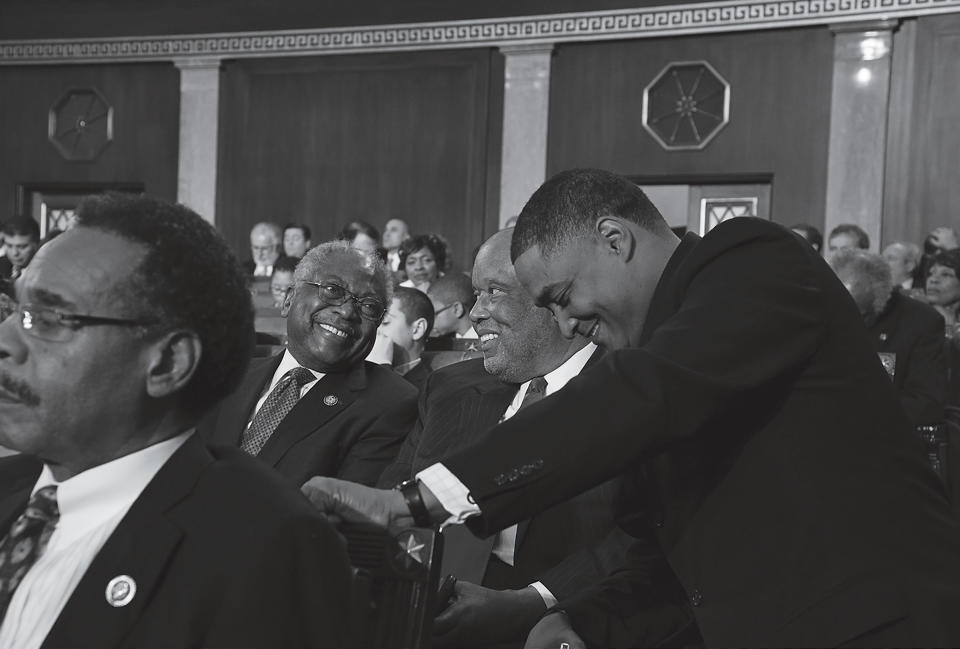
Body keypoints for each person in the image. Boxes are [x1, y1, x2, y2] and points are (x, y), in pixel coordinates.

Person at [307, 169, 960, 648]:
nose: (562, 319)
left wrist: (415, 501)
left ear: (615, 238)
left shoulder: (748, 259)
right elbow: (661, 560)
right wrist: (552, 616)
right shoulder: (655, 369)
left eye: (561, 294)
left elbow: (645, 394)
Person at [0, 193, 351, 648]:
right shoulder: (13, 489)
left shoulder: (263, 547)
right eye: (15, 308)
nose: (5, 341)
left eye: (47, 318)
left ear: (167, 363)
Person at [375, 229, 687, 649]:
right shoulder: (446, 388)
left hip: (563, 618)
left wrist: (535, 601)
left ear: (553, 299)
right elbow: (392, 497)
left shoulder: (633, 392)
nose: (475, 312)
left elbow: (644, 539)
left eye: (494, 292)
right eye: (474, 294)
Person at [200, 240, 418, 487]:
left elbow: (342, 516)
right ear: (288, 299)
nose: (347, 312)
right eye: (333, 290)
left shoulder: (391, 404)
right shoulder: (232, 376)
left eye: (368, 306)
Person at [830, 248, 945, 428]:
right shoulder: (819, 314)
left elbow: (926, 402)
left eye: (859, 314)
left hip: (882, 433)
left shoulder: (921, 322)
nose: (847, 319)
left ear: (881, 301)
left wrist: (856, 415)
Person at [378, 286, 434, 389]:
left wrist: (382, 367)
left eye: (385, 322)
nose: (376, 330)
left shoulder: (430, 386)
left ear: (417, 329)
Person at [427, 272, 478, 340]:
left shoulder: (488, 340)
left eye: (434, 314)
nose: (429, 322)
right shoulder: (440, 342)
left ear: (457, 309)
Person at [0, 217, 40, 282]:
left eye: (22, 247)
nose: (14, 253)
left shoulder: (49, 269)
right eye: (9, 246)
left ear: (37, 243)